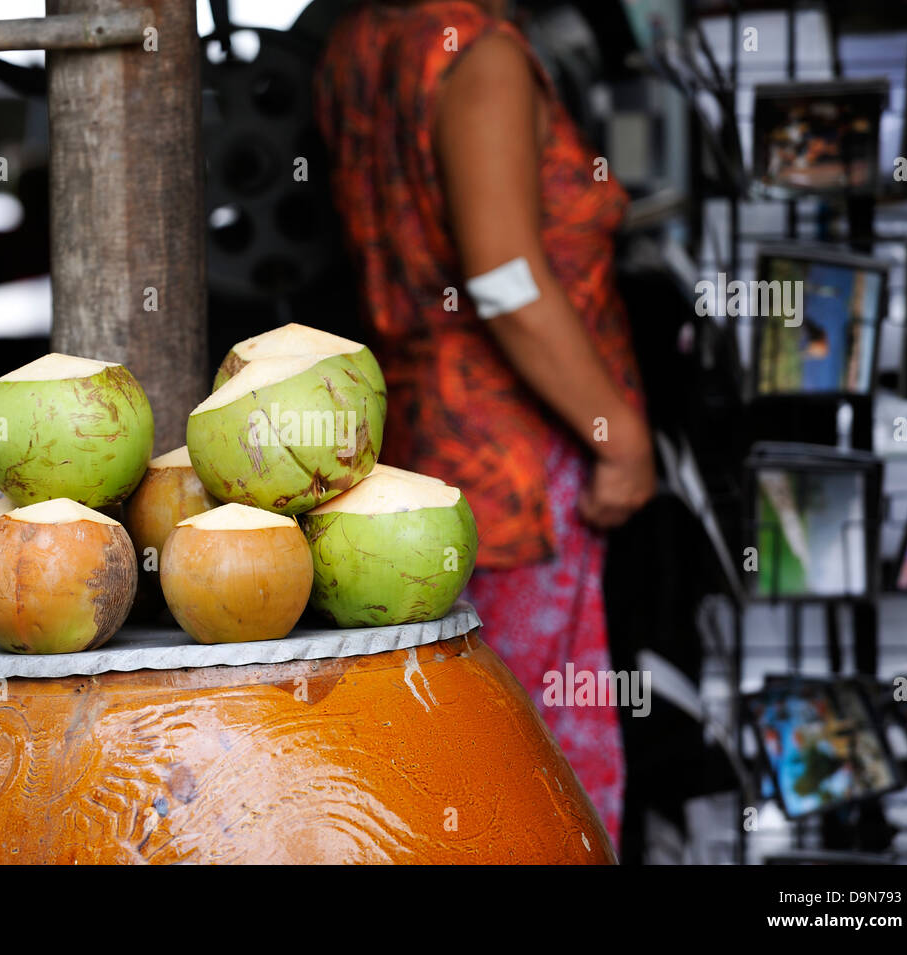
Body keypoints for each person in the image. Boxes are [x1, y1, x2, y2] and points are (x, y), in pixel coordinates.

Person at [314, 0, 655, 847]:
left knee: (443, 753)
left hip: (408, 448)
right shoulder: (480, 56)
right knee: (527, 774)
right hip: (510, 465)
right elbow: (503, 279)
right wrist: (619, 433)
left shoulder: (362, 38)